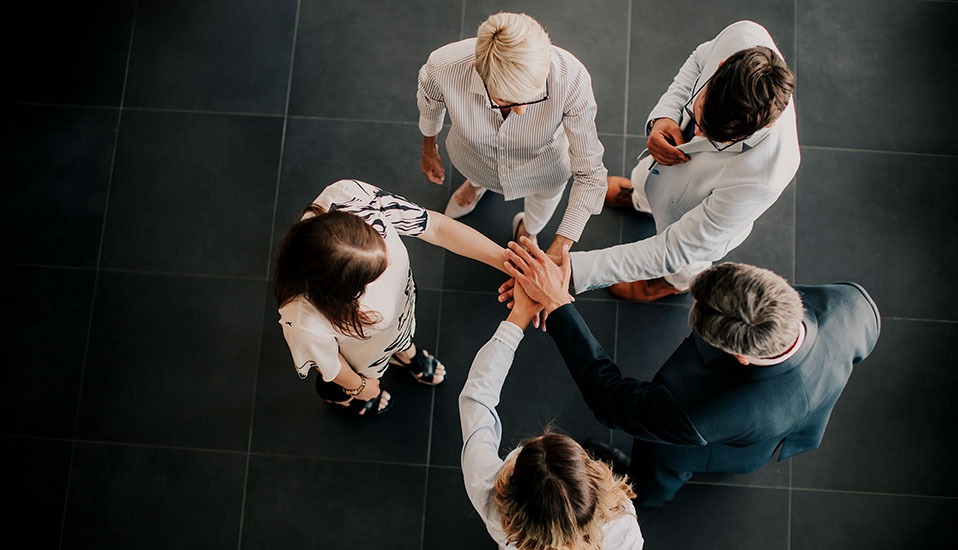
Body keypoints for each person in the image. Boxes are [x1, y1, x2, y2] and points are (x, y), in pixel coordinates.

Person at [503, 238, 880, 508]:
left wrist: (559, 305)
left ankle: (644, 494)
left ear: (740, 356)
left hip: (711, 446)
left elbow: (611, 400)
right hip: (798, 421)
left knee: (658, 472)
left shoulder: (698, 411)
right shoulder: (853, 305)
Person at [570, 20, 800, 302]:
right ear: (722, 66)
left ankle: (669, 285)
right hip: (661, 172)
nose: (697, 134)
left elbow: (676, 249)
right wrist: (665, 116)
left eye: (714, 139)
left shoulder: (764, 177)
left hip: (698, 222)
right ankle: (638, 198)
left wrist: (576, 269)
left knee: (685, 266)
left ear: (760, 129)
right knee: (644, 182)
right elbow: (698, 58)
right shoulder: (742, 35)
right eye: (700, 114)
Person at [275, 179, 505, 416]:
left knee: (398, 336)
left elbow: (435, 227)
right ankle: (342, 399)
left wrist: (511, 264)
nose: (392, 263)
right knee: (336, 387)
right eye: (374, 273)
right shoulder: (304, 318)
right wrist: (360, 387)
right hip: (360, 356)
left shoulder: (350, 199)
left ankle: (405, 352)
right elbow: (331, 363)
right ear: (342, 291)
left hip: (396, 323)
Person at [460, 275, 643, 549]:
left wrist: (518, 316)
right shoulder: (621, 520)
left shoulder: (487, 494)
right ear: (592, 478)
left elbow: (477, 399)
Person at [417, 12, 607, 256]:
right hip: (476, 157)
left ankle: (529, 230)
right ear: (478, 71)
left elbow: (590, 174)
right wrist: (428, 149)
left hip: (545, 166)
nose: (521, 111)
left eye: (533, 96)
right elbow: (430, 105)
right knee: (477, 173)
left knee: (543, 203)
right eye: (505, 100)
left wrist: (562, 245)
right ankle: (475, 186)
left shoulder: (571, 77)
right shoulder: (442, 67)